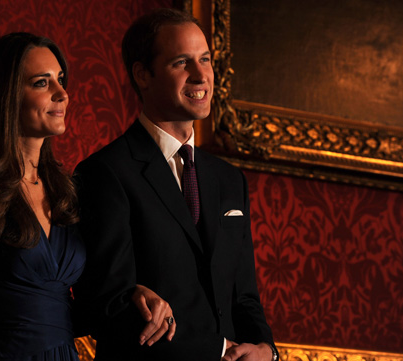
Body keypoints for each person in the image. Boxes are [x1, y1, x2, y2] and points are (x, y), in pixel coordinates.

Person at [0, 32, 175, 361]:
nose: (62, 93)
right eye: (42, 83)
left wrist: (133, 296)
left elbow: (64, 314)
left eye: (60, 79)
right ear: (4, 96)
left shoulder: (64, 190)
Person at [73, 9, 278, 361]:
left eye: (206, 59)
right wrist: (219, 350)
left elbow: (243, 296)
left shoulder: (230, 180)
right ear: (142, 74)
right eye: (182, 63)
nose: (201, 76)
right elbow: (110, 303)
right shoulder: (105, 173)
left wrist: (266, 350)